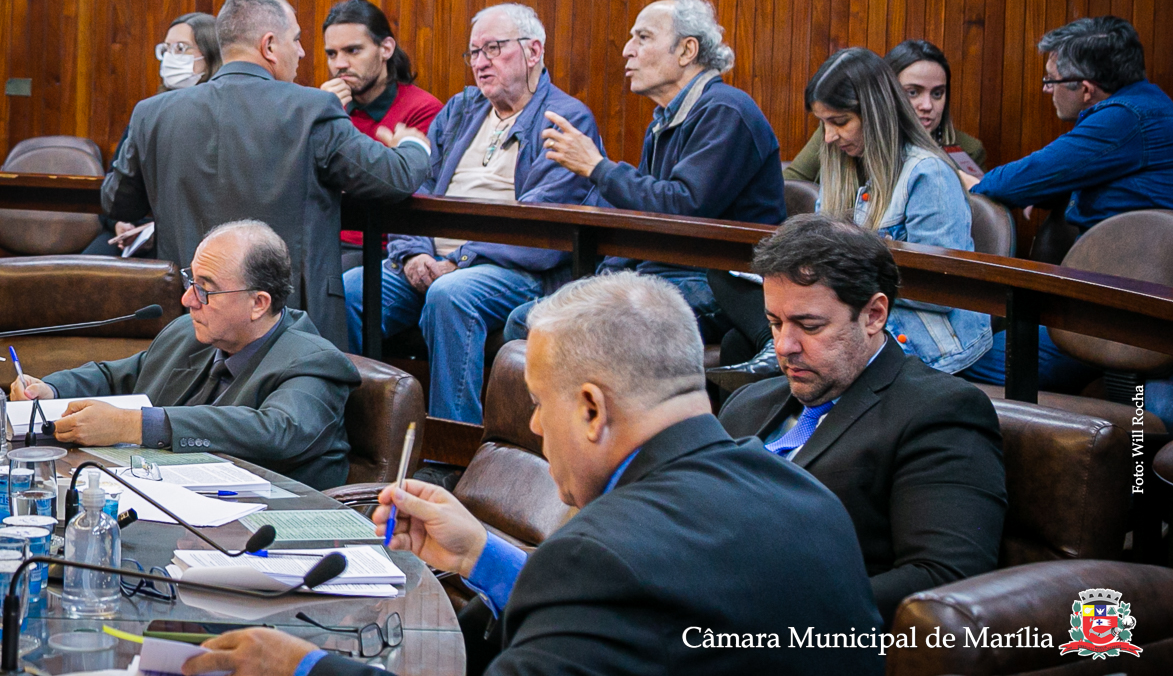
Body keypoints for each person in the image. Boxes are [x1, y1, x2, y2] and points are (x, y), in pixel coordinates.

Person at [184, 273, 885, 676]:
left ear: (591, 408)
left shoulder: (597, 553)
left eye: (541, 405)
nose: (539, 427)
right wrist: (481, 555)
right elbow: (649, 619)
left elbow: (619, 587)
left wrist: (304, 666)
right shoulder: (811, 501)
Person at [718, 213, 1007, 625]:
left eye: (809, 326)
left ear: (873, 315)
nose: (783, 346)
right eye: (774, 323)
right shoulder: (747, 404)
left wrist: (770, 612)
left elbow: (944, 578)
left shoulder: (940, 411)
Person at [101, 0, 431, 350]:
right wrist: (413, 145)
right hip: (290, 325)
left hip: (190, 318)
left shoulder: (153, 113)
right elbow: (392, 177)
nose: (302, 52)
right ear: (270, 46)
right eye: (297, 40)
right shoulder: (310, 109)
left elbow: (118, 203)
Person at [342, 3, 599, 424]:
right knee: (351, 290)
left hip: (512, 267)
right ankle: (356, 431)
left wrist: (459, 260)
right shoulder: (460, 110)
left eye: (493, 49)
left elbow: (543, 226)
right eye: (474, 52)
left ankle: (452, 442)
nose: (480, 63)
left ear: (533, 51)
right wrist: (413, 253)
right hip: (431, 260)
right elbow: (417, 187)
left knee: (451, 295)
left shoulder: (565, 118)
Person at [503, 0, 786, 340]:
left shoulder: (726, 111)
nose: (627, 50)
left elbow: (683, 207)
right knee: (527, 318)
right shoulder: (664, 120)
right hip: (659, 274)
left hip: (720, 285)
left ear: (687, 51)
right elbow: (639, 217)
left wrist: (597, 167)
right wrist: (603, 279)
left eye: (643, 37)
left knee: (547, 326)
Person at [709, 47, 992, 388]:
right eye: (824, 123)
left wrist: (840, 276)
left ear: (876, 114)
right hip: (843, 309)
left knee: (759, 343)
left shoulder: (929, 174)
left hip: (913, 333)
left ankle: (777, 363)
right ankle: (771, 359)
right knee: (728, 286)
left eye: (840, 122)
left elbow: (939, 289)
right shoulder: (840, 168)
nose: (829, 137)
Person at [9, 221, 357, 490]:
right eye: (192, 281)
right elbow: (116, 377)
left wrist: (134, 424)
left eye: (206, 290)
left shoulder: (313, 361)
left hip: (263, 529)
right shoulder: (189, 334)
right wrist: (51, 390)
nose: (188, 300)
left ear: (258, 303)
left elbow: (275, 431)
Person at [960, 16, 1173, 392]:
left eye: (1051, 80)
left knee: (963, 360)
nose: (1047, 89)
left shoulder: (1124, 119)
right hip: (1124, 300)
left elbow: (1007, 184)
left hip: (1125, 314)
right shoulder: (1148, 105)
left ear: (1086, 89)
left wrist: (960, 178)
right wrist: (1053, 194)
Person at [84, 12, 225, 257]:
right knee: (84, 269)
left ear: (210, 54)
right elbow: (116, 186)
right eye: (166, 49)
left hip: (193, 240)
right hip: (132, 233)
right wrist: (119, 223)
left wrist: (154, 230)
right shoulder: (149, 113)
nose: (170, 57)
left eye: (180, 48)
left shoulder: (221, 116)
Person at [319, 0, 443, 263]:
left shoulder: (422, 108)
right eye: (332, 54)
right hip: (325, 238)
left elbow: (398, 186)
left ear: (386, 48)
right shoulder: (328, 106)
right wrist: (322, 113)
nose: (339, 64)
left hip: (382, 245)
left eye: (353, 51)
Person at [785, 39, 986, 182]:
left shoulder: (968, 150)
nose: (927, 105)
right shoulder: (839, 130)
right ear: (885, 94)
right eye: (913, 92)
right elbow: (791, 186)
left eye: (937, 93)